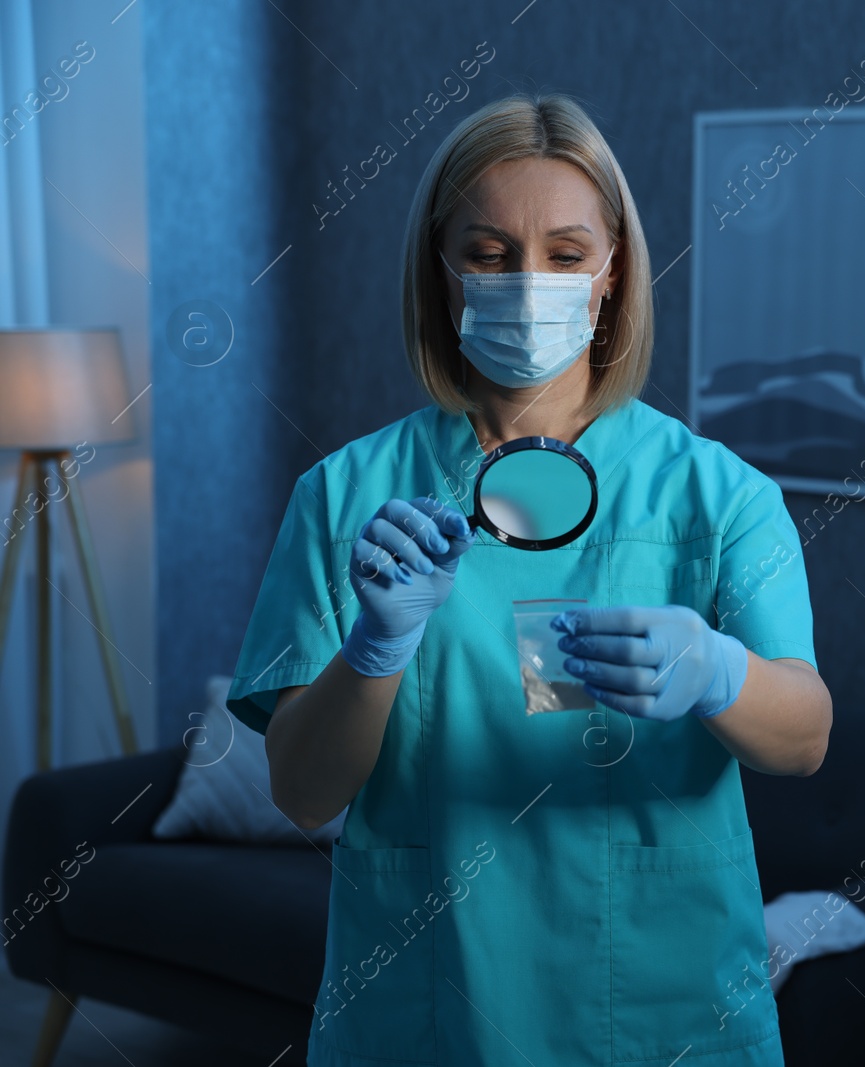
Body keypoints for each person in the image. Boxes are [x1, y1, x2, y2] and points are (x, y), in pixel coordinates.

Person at [225, 91, 832, 1067]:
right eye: (489, 252)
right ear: (443, 270)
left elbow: (803, 736)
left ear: (612, 271)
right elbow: (301, 790)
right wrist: (374, 649)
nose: (529, 280)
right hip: (428, 1003)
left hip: (661, 1003)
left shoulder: (721, 496)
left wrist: (720, 672)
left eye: (565, 252)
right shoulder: (345, 495)